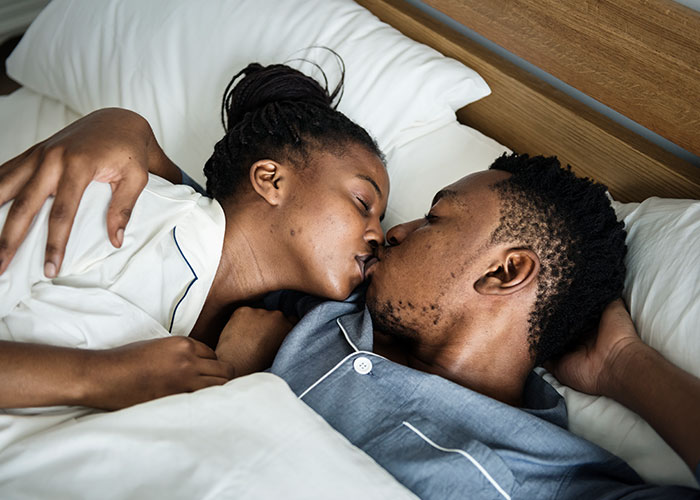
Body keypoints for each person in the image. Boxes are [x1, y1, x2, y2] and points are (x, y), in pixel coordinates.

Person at [2, 89, 699, 498]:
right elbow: (228, 224)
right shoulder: (317, 303)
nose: (388, 234)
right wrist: (124, 125)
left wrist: (624, 369)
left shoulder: (549, 476)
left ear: (506, 273)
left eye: (435, 217)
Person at [0, 62, 389, 411]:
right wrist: (98, 376)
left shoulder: (260, 343)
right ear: (271, 180)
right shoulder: (118, 203)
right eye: (362, 202)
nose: (378, 236)